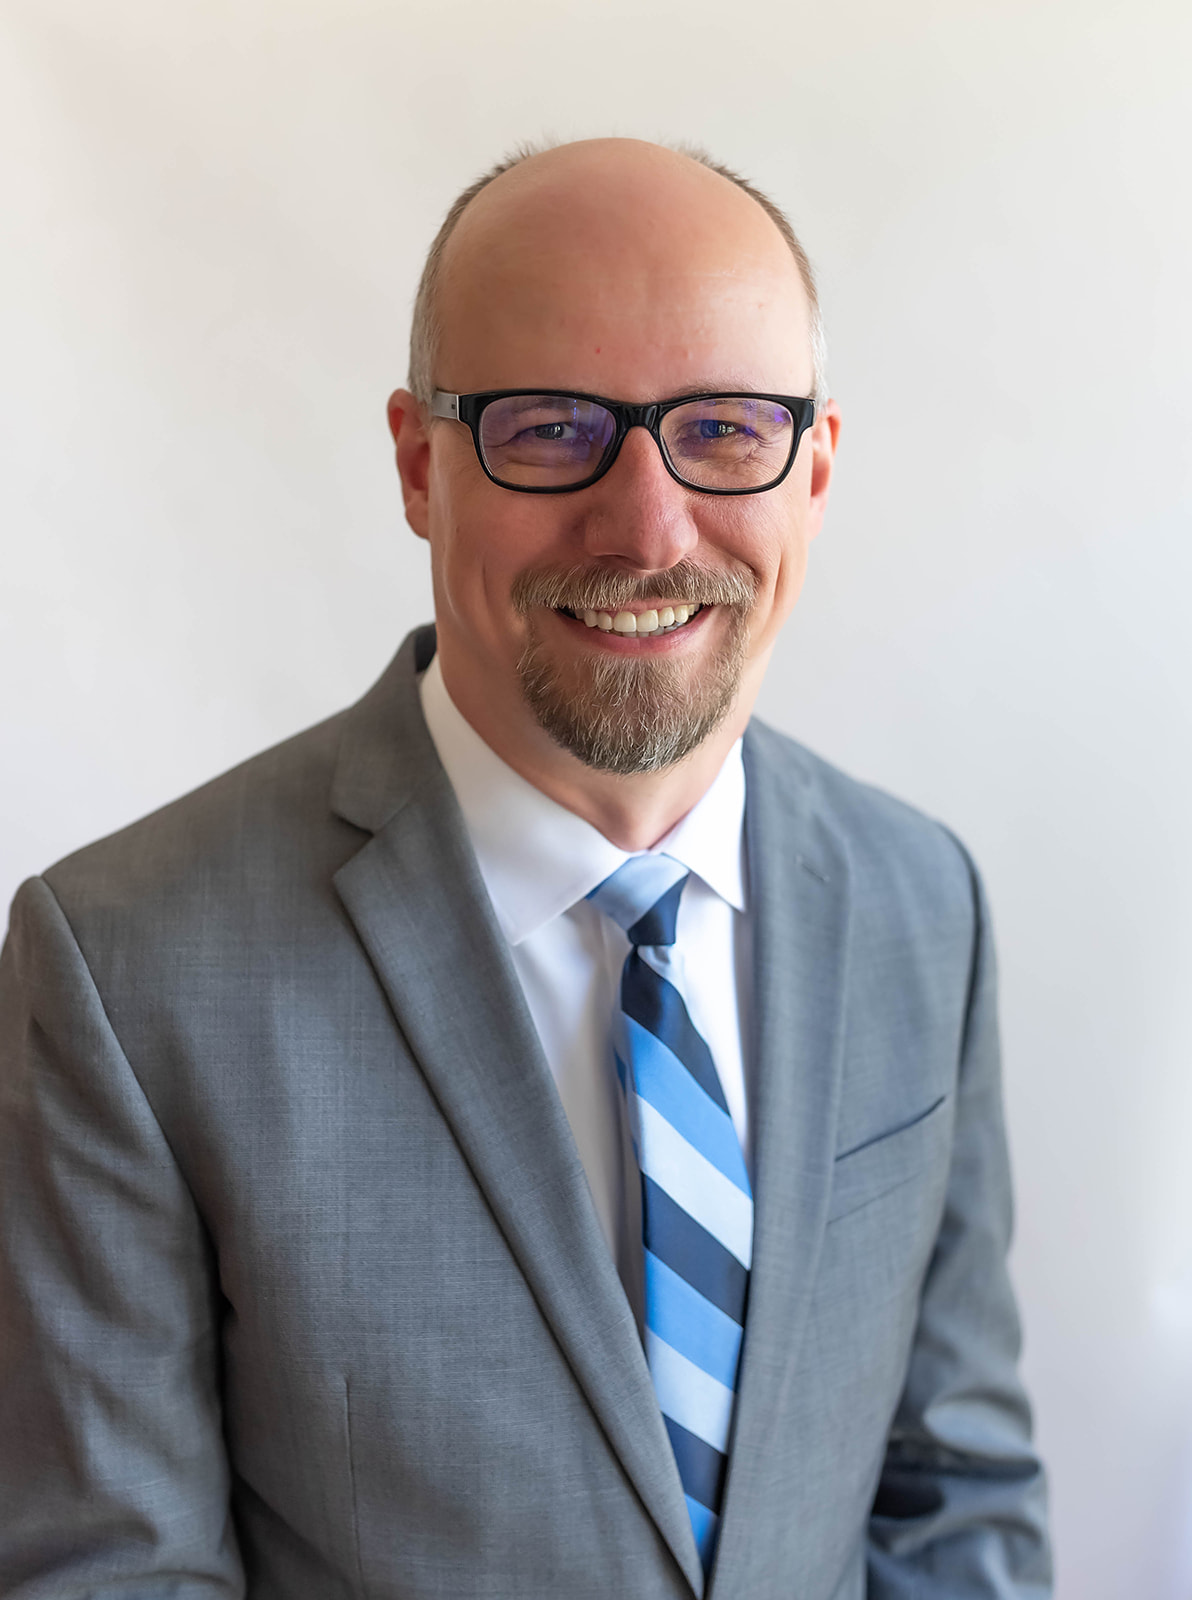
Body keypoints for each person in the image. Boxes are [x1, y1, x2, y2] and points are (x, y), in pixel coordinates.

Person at [0, 138, 1051, 1598]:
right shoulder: (126, 964)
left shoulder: (922, 906)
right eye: (550, 428)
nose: (645, 526)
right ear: (419, 466)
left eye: (727, 430)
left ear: (815, 469)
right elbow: (108, 1576)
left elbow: (955, 1506)